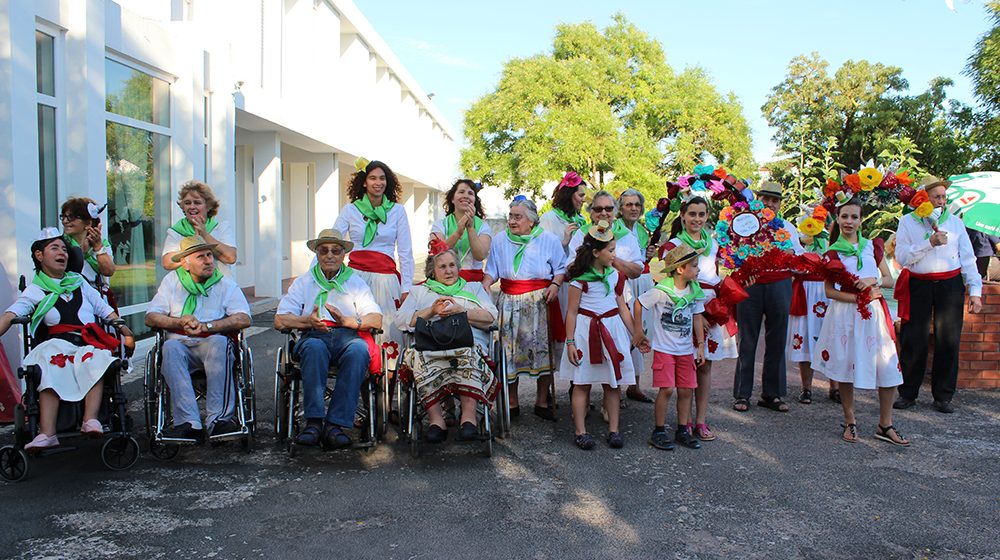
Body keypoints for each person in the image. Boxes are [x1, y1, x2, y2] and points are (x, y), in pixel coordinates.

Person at [0, 229, 133, 451]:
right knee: (50, 362)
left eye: (64, 249)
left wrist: (127, 334)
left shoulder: (80, 282)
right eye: (55, 248)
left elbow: (107, 312)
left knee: (97, 358)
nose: (62, 252)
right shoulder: (36, 290)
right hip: (55, 344)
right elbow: (11, 314)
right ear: (40, 256)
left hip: (85, 343)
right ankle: (48, 433)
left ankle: (91, 420)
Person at [811, 198, 909, 446]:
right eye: (844, 217)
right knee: (845, 366)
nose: (849, 222)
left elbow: (888, 279)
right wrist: (856, 297)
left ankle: (885, 424)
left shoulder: (872, 247)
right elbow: (830, 292)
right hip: (844, 315)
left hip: (872, 315)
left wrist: (872, 283)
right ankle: (850, 420)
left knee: (887, 367)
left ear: (861, 220)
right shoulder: (831, 253)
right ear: (838, 219)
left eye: (854, 217)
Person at [274, 229, 383, 449]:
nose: (330, 255)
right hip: (314, 334)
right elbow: (280, 319)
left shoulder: (355, 282)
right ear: (317, 254)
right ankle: (313, 423)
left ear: (344, 255)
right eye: (324, 251)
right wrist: (307, 322)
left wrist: (350, 322)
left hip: (347, 334)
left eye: (335, 250)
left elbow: (376, 318)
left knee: (359, 351)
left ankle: (335, 425)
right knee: (314, 348)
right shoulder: (304, 282)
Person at [145, 235, 251, 440]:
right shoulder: (172, 282)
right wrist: (179, 322)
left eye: (210, 255)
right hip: (180, 342)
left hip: (212, 342)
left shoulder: (225, 284)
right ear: (185, 263)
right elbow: (151, 316)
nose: (209, 260)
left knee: (221, 343)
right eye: (201, 256)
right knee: (169, 348)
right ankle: (189, 422)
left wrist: (209, 326)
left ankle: (219, 420)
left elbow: (243, 318)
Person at [893, 176, 982, 413]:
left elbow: (968, 258)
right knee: (913, 338)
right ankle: (908, 393)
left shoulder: (954, 223)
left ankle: (943, 395)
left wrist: (975, 291)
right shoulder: (907, 222)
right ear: (924, 198)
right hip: (919, 284)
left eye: (944, 197)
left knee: (949, 339)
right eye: (937, 197)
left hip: (950, 284)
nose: (942, 201)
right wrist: (928, 243)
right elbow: (902, 257)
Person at [560, 221, 647, 450]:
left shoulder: (616, 277)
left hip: (611, 330)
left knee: (612, 384)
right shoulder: (579, 279)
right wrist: (570, 342)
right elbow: (571, 312)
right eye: (610, 250)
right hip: (585, 333)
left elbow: (622, 307)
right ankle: (581, 431)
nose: (614, 255)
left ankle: (614, 430)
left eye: (614, 249)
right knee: (582, 383)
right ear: (596, 252)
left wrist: (636, 333)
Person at [396, 248, 498, 443]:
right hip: (430, 345)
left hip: (469, 343)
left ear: (458, 268)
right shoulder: (420, 291)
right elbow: (400, 320)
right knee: (418, 356)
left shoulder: (473, 288)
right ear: (432, 272)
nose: (448, 270)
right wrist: (431, 310)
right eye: (442, 267)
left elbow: (492, 317)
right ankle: (437, 421)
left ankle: (468, 418)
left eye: (452, 265)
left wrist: (462, 311)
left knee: (468, 352)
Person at [483, 197, 566, 421]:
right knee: (509, 353)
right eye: (510, 216)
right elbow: (492, 270)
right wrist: (484, 284)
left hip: (540, 302)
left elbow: (560, 268)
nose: (511, 221)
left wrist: (556, 285)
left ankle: (541, 401)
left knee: (543, 354)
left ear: (531, 221)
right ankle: (512, 402)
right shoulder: (500, 240)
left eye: (517, 217)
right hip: (509, 301)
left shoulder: (548, 240)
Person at [660, 196, 736, 441]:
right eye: (692, 214)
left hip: (711, 307)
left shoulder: (713, 244)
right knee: (685, 365)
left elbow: (717, 274)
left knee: (705, 366)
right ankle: (684, 421)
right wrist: (696, 314)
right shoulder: (672, 246)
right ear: (682, 216)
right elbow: (667, 282)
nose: (697, 219)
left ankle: (700, 420)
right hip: (685, 309)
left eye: (702, 214)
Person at [732, 181, 803, 413]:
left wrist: (792, 253)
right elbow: (732, 251)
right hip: (751, 285)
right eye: (766, 199)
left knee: (777, 339)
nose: (770, 203)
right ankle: (742, 394)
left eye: (775, 200)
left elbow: (799, 255)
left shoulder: (788, 227)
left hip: (780, 284)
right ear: (758, 200)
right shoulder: (745, 223)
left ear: (781, 204)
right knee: (747, 339)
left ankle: (772, 394)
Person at [333, 159, 413, 367]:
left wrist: (406, 288)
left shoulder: (397, 211)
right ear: (364, 182)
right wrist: (317, 276)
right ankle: (359, 379)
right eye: (373, 178)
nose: (378, 182)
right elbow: (334, 242)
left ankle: (386, 388)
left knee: (389, 334)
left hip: (387, 281)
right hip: (356, 280)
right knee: (355, 332)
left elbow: (405, 253)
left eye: (382, 178)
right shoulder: (350, 210)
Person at [638, 244, 706, 451]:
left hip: (685, 350)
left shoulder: (694, 291)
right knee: (666, 389)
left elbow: (697, 317)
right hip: (665, 349)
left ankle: (682, 429)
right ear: (680, 269)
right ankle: (659, 430)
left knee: (686, 390)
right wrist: (638, 331)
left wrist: (700, 345)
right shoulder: (661, 291)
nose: (698, 270)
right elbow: (639, 303)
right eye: (694, 266)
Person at [787, 204, 832, 405]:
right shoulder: (798, 239)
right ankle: (807, 387)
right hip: (805, 290)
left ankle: (836, 386)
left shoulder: (830, 240)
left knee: (830, 335)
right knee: (804, 336)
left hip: (826, 289)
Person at [615, 188, 655, 404]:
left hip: (642, 282)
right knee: (623, 333)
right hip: (623, 284)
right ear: (620, 208)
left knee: (641, 331)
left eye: (637, 204)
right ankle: (617, 389)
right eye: (628, 204)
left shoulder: (641, 230)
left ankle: (635, 385)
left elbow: (640, 257)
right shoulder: (615, 228)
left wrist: (648, 254)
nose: (633, 208)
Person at [162, 180, 238, 275]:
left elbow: (231, 258)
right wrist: (195, 245)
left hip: (219, 287)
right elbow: (167, 263)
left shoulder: (221, 228)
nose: (192, 206)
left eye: (197, 203)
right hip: (187, 288)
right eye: (187, 203)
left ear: (208, 206)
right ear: (183, 207)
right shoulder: (176, 231)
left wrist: (205, 235)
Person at [429, 179, 492, 282]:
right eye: (461, 192)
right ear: (452, 199)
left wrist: (470, 228)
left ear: (474, 200)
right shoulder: (440, 224)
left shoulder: (483, 226)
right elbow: (436, 252)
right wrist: (458, 233)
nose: (466, 196)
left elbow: (480, 255)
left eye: (470, 193)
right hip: (445, 282)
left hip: (473, 284)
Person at [59, 197, 115, 294]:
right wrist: (80, 251)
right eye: (63, 216)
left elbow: (108, 271)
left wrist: (97, 247)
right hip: (68, 295)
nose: (65, 221)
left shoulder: (101, 243)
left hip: (95, 296)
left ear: (88, 223)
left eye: (71, 217)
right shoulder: (60, 244)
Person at [539, 171, 587, 254]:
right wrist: (564, 242)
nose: (584, 199)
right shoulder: (548, 219)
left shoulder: (581, 220)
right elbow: (542, 253)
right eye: (581, 195)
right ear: (569, 195)